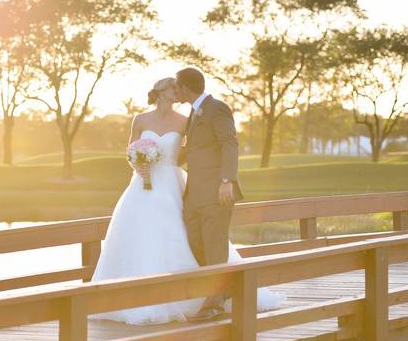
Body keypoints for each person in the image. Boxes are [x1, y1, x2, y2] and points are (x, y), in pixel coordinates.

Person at [90, 74, 283, 325]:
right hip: (142, 184)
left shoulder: (186, 120)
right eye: (172, 88)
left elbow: (201, 149)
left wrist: (225, 180)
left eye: (177, 87)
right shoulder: (140, 119)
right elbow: (130, 151)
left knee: (183, 235)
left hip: (172, 183)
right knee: (139, 235)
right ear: (161, 91)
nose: (175, 92)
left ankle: (205, 295)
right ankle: (126, 297)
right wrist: (140, 164)